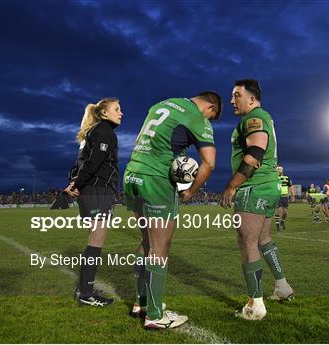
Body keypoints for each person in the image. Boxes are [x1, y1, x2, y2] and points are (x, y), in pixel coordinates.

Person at [123, 91, 221, 329]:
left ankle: (142, 303)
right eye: (212, 116)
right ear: (210, 107)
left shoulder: (161, 104)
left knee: (147, 241)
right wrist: (191, 190)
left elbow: (138, 140)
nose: (209, 120)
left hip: (133, 174)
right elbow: (209, 162)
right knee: (160, 247)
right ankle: (155, 316)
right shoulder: (197, 118)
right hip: (156, 179)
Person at [221, 79, 293, 321]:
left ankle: (255, 305)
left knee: (247, 242)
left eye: (236, 95)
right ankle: (282, 287)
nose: (232, 100)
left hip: (255, 187)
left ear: (251, 98)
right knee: (263, 238)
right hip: (270, 186)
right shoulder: (263, 117)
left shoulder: (254, 118)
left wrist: (232, 185)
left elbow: (255, 153)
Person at [65, 98, 122, 307]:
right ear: (104, 113)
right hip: (98, 191)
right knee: (96, 242)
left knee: (94, 240)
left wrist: (74, 182)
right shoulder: (104, 131)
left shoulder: (92, 131)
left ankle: (84, 288)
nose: (121, 113)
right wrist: (77, 183)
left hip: (93, 191)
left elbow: (79, 163)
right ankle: (86, 294)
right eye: (117, 109)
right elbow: (93, 162)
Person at [274, 165, 295, 231]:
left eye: (280, 169)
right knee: (279, 210)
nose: (279, 170)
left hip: (285, 196)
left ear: (282, 170)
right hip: (277, 196)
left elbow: (291, 187)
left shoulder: (286, 178)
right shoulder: (273, 178)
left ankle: (282, 222)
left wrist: (292, 195)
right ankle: (277, 225)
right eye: (277, 169)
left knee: (285, 213)